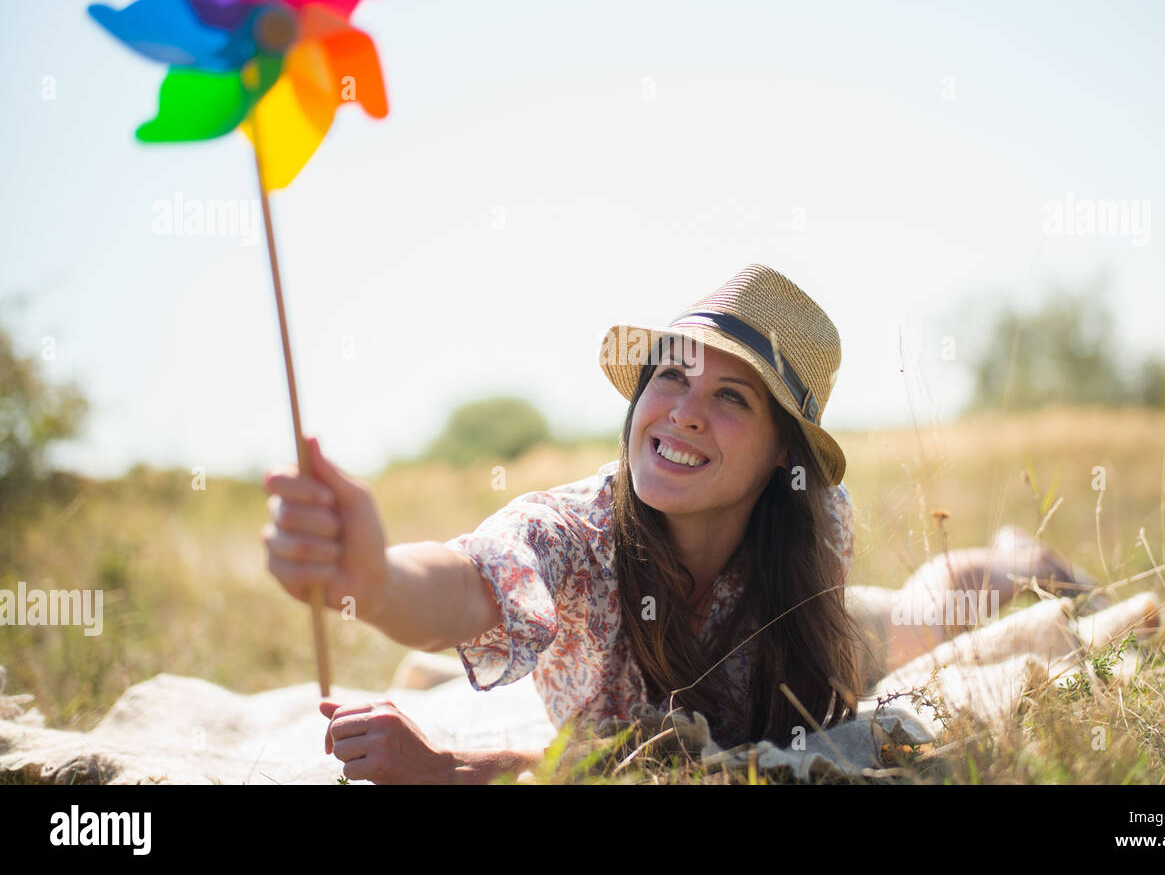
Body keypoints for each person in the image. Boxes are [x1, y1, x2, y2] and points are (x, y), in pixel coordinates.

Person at [262, 263, 1103, 783]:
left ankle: (1015, 555)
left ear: (783, 453)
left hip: (836, 636)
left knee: (934, 610)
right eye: (670, 378)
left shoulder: (814, 520)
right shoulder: (572, 533)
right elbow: (467, 582)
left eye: (731, 398)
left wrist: (469, 768)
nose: (683, 414)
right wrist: (370, 580)